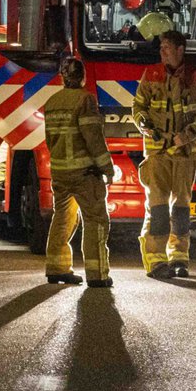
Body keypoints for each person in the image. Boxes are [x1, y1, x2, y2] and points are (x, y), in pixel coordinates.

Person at [131, 30, 196, 280]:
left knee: (181, 207)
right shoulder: (152, 74)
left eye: (167, 47)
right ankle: (156, 260)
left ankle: (179, 258)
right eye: (161, 48)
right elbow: (138, 107)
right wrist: (143, 123)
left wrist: (189, 134)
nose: (162, 52)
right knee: (157, 206)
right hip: (157, 152)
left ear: (181, 50)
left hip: (185, 152)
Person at [42, 57, 113, 288]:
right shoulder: (85, 100)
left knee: (62, 218)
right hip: (84, 174)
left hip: (60, 172)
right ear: (82, 76)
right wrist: (107, 168)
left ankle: (56, 268)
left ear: (62, 77)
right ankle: (97, 274)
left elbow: (50, 139)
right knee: (95, 220)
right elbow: (93, 138)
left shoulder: (52, 102)